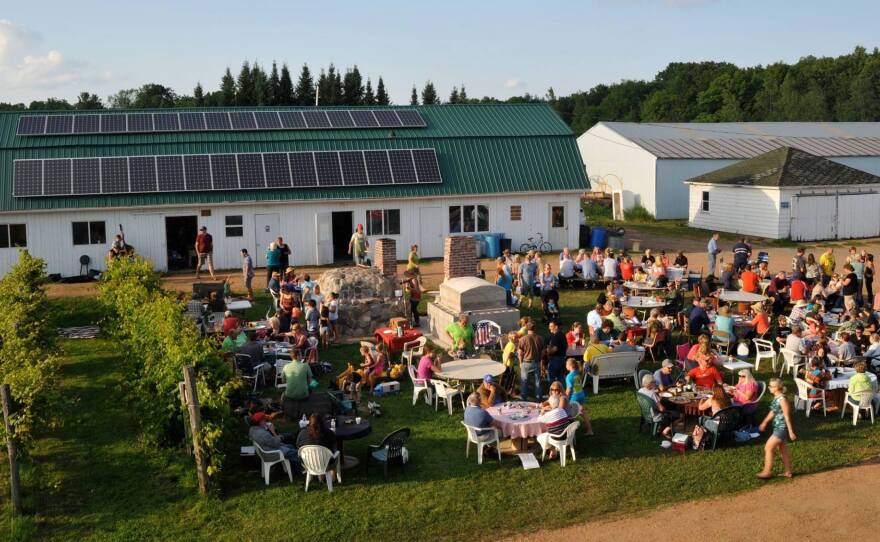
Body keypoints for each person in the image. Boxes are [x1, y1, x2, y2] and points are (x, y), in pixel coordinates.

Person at [757, 378, 796, 479]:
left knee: (768, 448)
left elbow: (787, 416)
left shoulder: (782, 399)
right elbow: (773, 412)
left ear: (778, 387)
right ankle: (788, 472)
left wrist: (791, 432)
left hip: (781, 428)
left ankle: (767, 472)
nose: (769, 388)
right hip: (777, 428)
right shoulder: (777, 398)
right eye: (769, 386)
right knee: (783, 450)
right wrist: (764, 422)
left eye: (771, 386)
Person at [638, 374, 679, 438]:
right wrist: (664, 407)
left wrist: (657, 399)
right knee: (679, 415)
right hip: (655, 417)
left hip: (646, 413)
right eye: (654, 382)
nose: (655, 384)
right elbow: (662, 409)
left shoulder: (640, 391)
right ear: (650, 383)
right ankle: (665, 431)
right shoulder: (652, 394)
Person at [518, 321, 544, 401]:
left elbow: (520, 353)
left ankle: (524, 399)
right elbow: (543, 352)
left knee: (524, 381)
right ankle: (538, 399)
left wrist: (520, 362)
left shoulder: (523, 339)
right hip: (536, 362)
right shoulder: (540, 338)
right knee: (538, 382)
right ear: (534, 328)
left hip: (526, 362)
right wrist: (540, 360)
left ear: (526, 328)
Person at [545, 320, 568, 385]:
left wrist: (548, 352)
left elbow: (555, 349)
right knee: (561, 377)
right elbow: (566, 346)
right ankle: (562, 393)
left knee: (552, 378)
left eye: (551, 326)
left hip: (555, 359)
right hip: (562, 358)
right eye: (549, 326)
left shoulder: (555, 336)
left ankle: (552, 392)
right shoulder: (562, 334)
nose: (549, 328)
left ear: (556, 327)